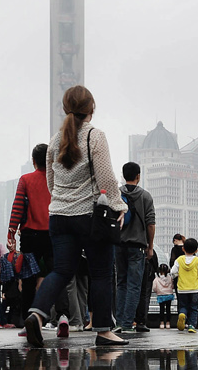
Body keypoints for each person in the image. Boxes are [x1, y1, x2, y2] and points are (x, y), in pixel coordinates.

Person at [23, 86, 127, 347]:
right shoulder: (95, 136)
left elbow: (50, 182)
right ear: (91, 109)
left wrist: (65, 200)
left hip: (59, 215)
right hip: (89, 217)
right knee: (101, 273)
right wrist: (119, 206)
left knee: (61, 271)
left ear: (65, 108)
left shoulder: (55, 139)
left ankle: (36, 315)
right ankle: (103, 331)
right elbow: (105, 177)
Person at [10, 143, 68, 338]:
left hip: (30, 236)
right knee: (58, 275)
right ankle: (62, 317)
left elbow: (18, 206)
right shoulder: (58, 180)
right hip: (55, 234)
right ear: (50, 160)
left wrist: (11, 232)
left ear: (34, 161)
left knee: (28, 280)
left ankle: (30, 320)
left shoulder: (26, 180)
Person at [115, 161, 155, 334]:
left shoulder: (116, 194)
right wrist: (150, 246)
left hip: (119, 245)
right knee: (134, 285)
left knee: (121, 283)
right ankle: (127, 323)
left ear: (124, 176)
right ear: (138, 176)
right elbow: (150, 223)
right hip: (137, 246)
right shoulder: (145, 196)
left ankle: (118, 322)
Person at [173, 236, 198, 333]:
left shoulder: (179, 260)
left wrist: (178, 274)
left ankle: (182, 314)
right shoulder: (197, 261)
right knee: (193, 308)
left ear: (183, 249)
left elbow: (173, 272)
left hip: (182, 289)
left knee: (183, 306)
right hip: (194, 289)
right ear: (196, 250)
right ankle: (191, 326)